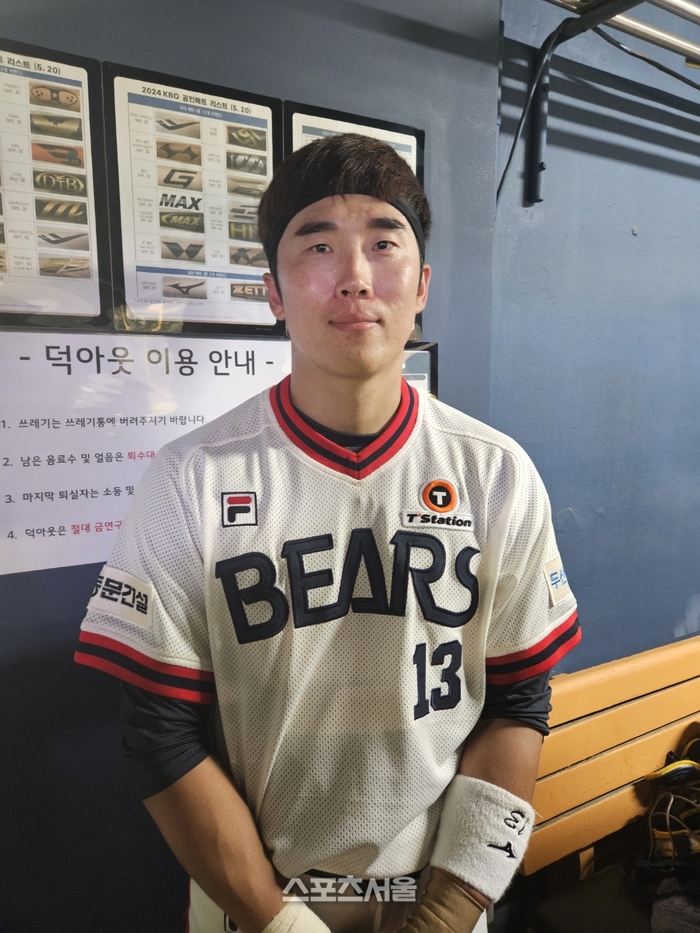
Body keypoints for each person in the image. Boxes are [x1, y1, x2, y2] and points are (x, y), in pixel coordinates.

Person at [75, 133, 580, 933]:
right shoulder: (188, 480)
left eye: (383, 242)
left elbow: (518, 699)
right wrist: (279, 921)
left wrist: (450, 907)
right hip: (255, 898)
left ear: (422, 283)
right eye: (318, 245)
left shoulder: (496, 473)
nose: (354, 276)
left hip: (434, 889)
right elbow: (157, 731)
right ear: (273, 292)